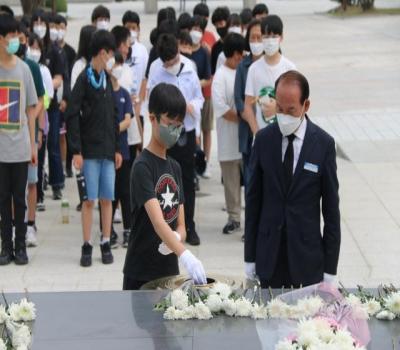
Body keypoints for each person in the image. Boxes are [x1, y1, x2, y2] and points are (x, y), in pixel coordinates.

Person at [244, 70, 341, 288]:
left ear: (306, 106)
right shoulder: (263, 140)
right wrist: (249, 257)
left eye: (291, 110)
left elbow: (332, 212)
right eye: (279, 108)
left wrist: (330, 271)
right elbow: (253, 203)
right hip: (269, 258)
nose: (284, 115)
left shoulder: (323, 145)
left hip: (307, 261)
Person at [123, 83, 207, 290]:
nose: (175, 130)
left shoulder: (175, 167)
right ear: (153, 118)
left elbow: (180, 224)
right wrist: (185, 255)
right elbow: (159, 222)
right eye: (170, 123)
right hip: (141, 271)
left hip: (168, 271)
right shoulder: (143, 166)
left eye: (179, 125)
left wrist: (177, 238)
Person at [66, 30, 122, 267]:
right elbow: (71, 114)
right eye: (111, 53)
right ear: (103, 52)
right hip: (88, 152)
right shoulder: (84, 78)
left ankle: (106, 241)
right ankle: (87, 244)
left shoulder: (108, 80)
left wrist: (117, 148)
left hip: (108, 151)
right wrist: (76, 150)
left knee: (107, 199)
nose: (113, 58)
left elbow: (113, 115)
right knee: (89, 200)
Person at [147, 34, 204, 246]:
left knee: (187, 181)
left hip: (185, 131)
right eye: (168, 62)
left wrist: (192, 107)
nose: (172, 65)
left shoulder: (190, 67)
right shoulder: (156, 70)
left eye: (174, 60)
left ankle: (188, 223)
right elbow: (151, 103)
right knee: (164, 180)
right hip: (165, 133)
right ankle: (166, 225)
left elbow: (200, 97)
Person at [0, 14, 38, 265]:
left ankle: (21, 245)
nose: (15, 40)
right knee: (2, 201)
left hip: (21, 147)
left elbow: (31, 109)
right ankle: (6, 247)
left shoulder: (24, 69)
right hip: (0, 150)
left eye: (17, 34)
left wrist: (33, 143)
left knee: (20, 200)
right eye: (11, 35)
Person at [212, 33, 246, 235]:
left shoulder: (244, 71)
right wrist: (244, 118)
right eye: (240, 56)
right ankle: (234, 217)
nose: (241, 59)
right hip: (227, 140)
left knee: (250, 182)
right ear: (233, 55)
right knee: (231, 184)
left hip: (245, 140)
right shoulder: (220, 76)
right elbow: (222, 108)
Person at [31, 10, 65, 200]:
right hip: (34, 107)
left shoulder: (54, 51)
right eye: (36, 23)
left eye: (42, 23)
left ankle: (57, 183)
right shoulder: (28, 47)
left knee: (52, 144)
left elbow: (59, 78)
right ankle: (39, 184)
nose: (39, 26)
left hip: (49, 106)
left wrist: (44, 89)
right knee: (39, 147)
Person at [16, 22, 45, 248]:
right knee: (13, 186)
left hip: (29, 134)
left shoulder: (31, 68)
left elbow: (40, 100)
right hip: (9, 137)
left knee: (32, 183)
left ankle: (31, 224)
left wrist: (36, 127)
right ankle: (17, 224)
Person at [244, 15, 296, 134]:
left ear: (281, 37)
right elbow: (247, 105)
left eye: (274, 36)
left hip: (285, 135)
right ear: (262, 37)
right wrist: (257, 132)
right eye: (266, 36)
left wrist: (277, 109)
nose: (270, 40)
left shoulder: (290, 68)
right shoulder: (254, 69)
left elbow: (296, 104)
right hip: (262, 136)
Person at [234, 19, 263, 193]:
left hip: (270, 128)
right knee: (251, 181)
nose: (256, 42)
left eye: (260, 37)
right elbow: (238, 99)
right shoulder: (243, 66)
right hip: (248, 132)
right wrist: (253, 123)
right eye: (253, 38)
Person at [27, 33, 54, 213]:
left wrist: (40, 129)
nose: (34, 51)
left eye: (37, 48)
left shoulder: (41, 69)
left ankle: (38, 199)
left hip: (37, 125)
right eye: (31, 46)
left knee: (36, 168)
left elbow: (44, 100)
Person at [109, 52, 132, 248]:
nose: (117, 67)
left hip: (123, 150)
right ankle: (108, 231)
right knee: (110, 193)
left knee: (125, 191)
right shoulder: (104, 92)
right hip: (107, 150)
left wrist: (113, 127)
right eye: (115, 63)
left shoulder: (124, 93)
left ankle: (128, 229)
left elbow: (128, 119)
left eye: (119, 64)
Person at [122, 10, 148, 153]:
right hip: (124, 104)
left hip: (139, 105)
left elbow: (144, 79)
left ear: (138, 29)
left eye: (134, 28)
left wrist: (140, 101)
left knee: (139, 142)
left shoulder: (142, 50)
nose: (131, 31)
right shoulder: (120, 48)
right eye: (128, 28)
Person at [189, 15, 212, 178]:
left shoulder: (204, 52)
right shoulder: (184, 49)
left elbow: (208, 78)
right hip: (188, 100)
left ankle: (206, 162)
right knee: (194, 133)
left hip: (203, 97)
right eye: (193, 28)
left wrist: (197, 84)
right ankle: (194, 163)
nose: (195, 32)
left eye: (199, 30)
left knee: (206, 129)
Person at [55, 14, 76, 179]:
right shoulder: (50, 50)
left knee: (65, 135)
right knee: (55, 136)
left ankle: (65, 166)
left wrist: (67, 98)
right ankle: (58, 167)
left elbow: (69, 78)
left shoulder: (70, 52)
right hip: (52, 100)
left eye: (62, 27)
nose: (59, 31)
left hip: (65, 99)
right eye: (56, 27)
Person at [210, 6, 230, 75]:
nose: (219, 27)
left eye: (221, 24)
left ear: (228, 22)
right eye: (216, 25)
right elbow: (213, 73)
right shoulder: (215, 48)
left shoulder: (236, 43)